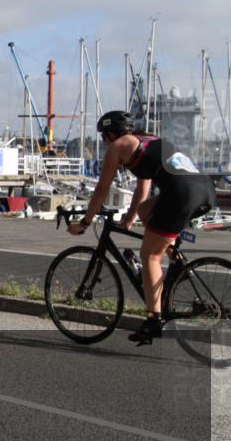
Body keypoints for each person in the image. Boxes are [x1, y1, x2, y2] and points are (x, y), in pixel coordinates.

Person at [67, 111, 215, 345]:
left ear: (112, 134)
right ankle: (176, 261)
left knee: (149, 255)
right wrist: (128, 220)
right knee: (146, 211)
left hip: (181, 193)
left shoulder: (119, 146)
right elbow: (142, 191)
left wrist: (85, 222)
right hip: (204, 189)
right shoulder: (147, 141)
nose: (104, 144)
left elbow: (102, 189)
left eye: (104, 137)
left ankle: (153, 320)